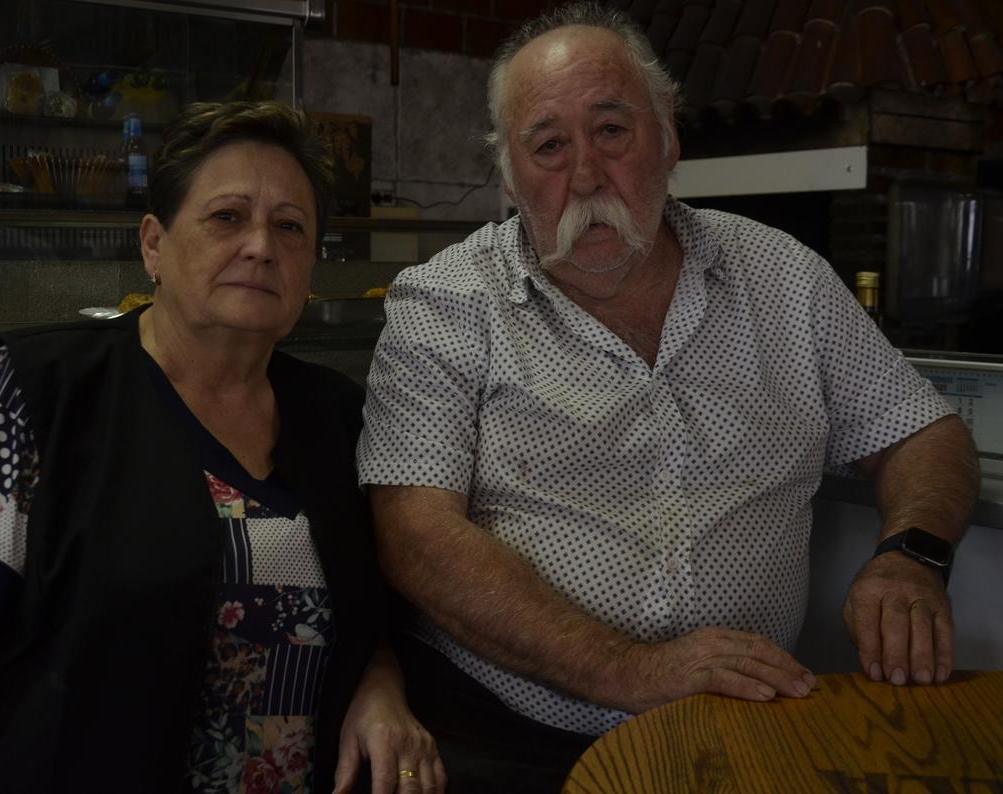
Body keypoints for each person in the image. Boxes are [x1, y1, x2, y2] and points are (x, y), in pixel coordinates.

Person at [356, 3, 980, 790]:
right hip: (506, 732)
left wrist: (912, 558)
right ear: (510, 178)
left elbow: (921, 430)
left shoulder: (785, 275)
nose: (584, 175)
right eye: (548, 146)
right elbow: (415, 535)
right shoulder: (443, 301)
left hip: (741, 723)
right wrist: (628, 668)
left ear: (669, 137)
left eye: (612, 131)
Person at [0, 101, 446, 794]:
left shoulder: (338, 416)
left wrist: (378, 684)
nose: (261, 245)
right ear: (153, 246)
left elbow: (363, 613)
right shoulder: (25, 389)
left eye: (290, 227)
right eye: (227, 216)